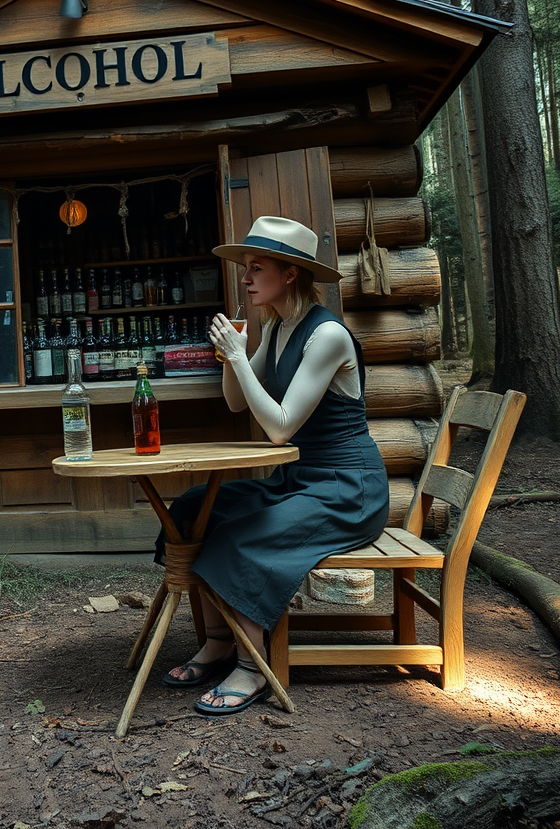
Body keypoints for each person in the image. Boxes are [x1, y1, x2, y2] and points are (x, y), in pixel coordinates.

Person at [158, 215, 389, 716]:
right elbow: (238, 404)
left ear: (289, 274)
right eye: (245, 267)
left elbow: (280, 427)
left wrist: (242, 358)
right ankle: (219, 642)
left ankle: (251, 666)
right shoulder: (279, 326)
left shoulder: (326, 335)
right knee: (195, 509)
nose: (244, 278)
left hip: (348, 488)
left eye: (256, 267)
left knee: (245, 537)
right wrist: (232, 356)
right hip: (299, 480)